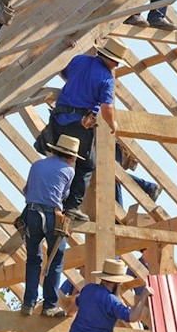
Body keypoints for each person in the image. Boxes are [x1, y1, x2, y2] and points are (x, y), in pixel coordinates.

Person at [41, 39, 134, 218]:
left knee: (61, 159)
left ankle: (52, 200)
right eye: (116, 62)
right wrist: (113, 124)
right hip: (79, 124)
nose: (116, 65)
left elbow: (65, 72)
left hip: (58, 119)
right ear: (113, 60)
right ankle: (71, 206)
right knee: (87, 164)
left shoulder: (79, 60)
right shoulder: (107, 79)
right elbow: (107, 108)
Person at [20, 135, 81, 315]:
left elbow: (26, 190)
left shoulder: (37, 165)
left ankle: (28, 303)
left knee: (33, 259)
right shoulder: (69, 171)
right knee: (55, 260)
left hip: (31, 213)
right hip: (52, 215)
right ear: (71, 156)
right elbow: (63, 195)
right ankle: (49, 305)